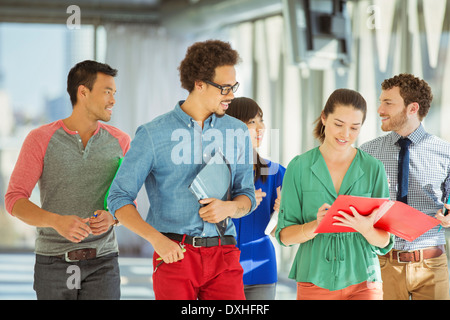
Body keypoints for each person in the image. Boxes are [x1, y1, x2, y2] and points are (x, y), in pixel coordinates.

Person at [106, 40, 256, 300]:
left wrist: (229, 207)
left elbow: (247, 196)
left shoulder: (237, 132)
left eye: (234, 87)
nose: (231, 95)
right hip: (174, 254)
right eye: (225, 88)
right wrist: (156, 240)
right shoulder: (153, 134)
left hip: (225, 255)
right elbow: (117, 198)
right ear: (199, 84)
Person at [4, 60, 129, 300]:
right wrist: (56, 221)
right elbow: (14, 199)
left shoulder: (121, 142)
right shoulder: (40, 139)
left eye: (115, 93)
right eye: (107, 92)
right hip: (53, 263)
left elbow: (128, 200)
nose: (113, 100)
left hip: (104, 262)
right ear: (83, 92)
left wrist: (113, 218)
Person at [275, 88, 394, 300]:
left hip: (364, 279)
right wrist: (315, 226)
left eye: (354, 128)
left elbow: (385, 241)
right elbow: (284, 235)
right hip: (314, 278)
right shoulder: (299, 167)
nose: (345, 134)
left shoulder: (373, 168)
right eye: (338, 124)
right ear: (324, 118)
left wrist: (366, 229)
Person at [360, 73, 450, 300]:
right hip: (381, 263)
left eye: (388, 103)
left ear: (412, 108)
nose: (380, 110)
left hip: (431, 265)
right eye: (381, 102)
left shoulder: (445, 153)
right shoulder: (368, 152)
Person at [226, 97, 285, 300]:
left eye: (261, 120)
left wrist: (282, 213)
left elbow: (282, 232)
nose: (260, 128)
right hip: (220, 272)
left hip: (261, 270)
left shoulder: (276, 173)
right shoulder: (213, 172)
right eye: (252, 122)